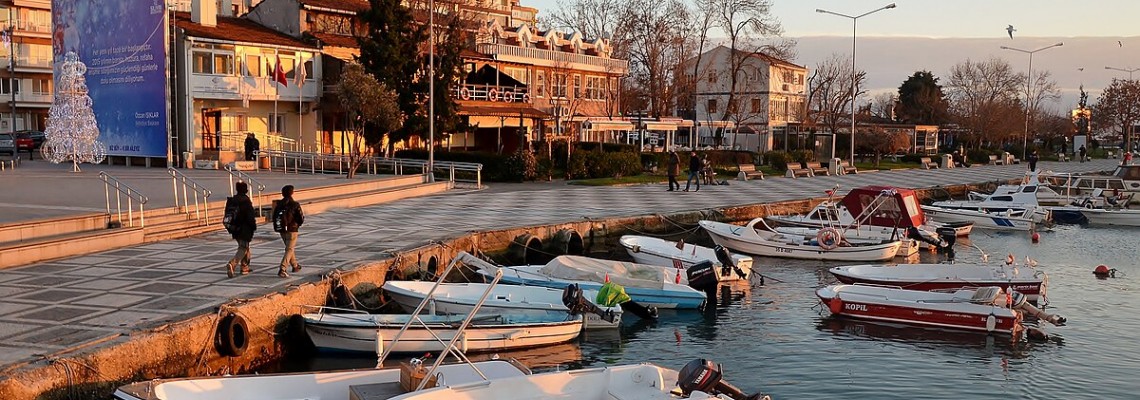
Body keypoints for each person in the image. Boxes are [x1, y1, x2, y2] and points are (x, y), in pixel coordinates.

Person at [225, 182, 257, 278]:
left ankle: (245, 267)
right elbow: (250, 217)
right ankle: (232, 263)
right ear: (246, 190)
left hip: (234, 227)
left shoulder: (232, 200)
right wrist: (253, 226)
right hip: (244, 228)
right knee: (243, 248)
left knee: (244, 246)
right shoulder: (245, 201)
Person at [271, 185, 305, 278]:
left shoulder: (279, 204)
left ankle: (295, 265)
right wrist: (297, 224)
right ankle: (283, 268)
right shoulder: (295, 204)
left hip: (282, 229)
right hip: (292, 229)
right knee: (289, 249)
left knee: (289, 248)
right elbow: (301, 218)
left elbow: (274, 217)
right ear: (292, 193)